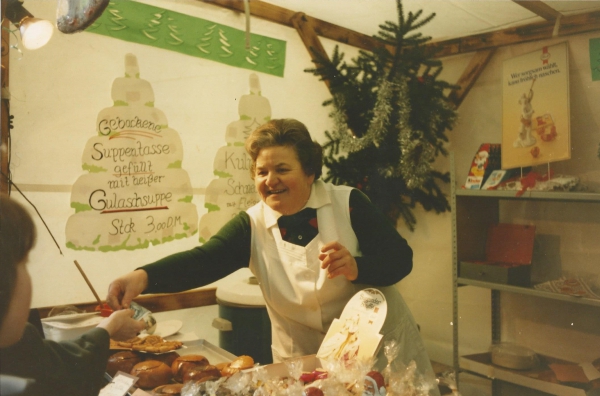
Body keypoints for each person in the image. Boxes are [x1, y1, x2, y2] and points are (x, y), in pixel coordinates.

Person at [107, 118, 439, 394]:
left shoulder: (349, 203)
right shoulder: (251, 224)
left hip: (378, 357)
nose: (271, 180)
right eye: (262, 172)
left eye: (282, 169)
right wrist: (142, 277)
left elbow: (401, 259)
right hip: (304, 366)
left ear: (310, 172)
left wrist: (357, 266)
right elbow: (204, 259)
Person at [0, 194, 146, 396]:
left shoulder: (17, 343)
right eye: (24, 262)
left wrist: (110, 326)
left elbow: (62, 363)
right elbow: (65, 377)